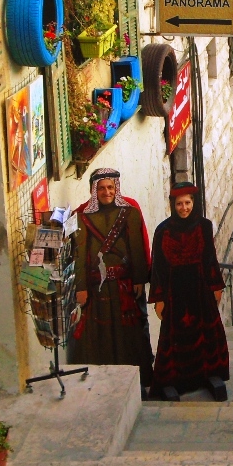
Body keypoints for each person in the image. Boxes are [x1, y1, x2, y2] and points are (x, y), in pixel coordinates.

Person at [70, 168, 154, 392]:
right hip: (97, 289)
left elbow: (137, 247)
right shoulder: (82, 217)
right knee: (102, 334)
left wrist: (139, 279)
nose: (106, 192)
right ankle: (104, 383)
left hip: (124, 287)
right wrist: (81, 288)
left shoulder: (130, 212)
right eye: (101, 188)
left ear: (116, 188)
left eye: (110, 187)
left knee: (130, 333)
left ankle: (138, 381)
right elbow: (80, 255)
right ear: (93, 190)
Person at [149, 183, 230, 402]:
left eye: (187, 203)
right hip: (174, 291)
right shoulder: (163, 231)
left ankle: (208, 375)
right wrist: (159, 298)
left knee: (206, 333)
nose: (183, 208)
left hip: (200, 287)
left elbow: (210, 258)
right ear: (172, 205)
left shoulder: (204, 226)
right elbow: (158, 266)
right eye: (179, 204)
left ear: (194, 203)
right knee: (175, 337)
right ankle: (172, 382)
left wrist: (216, 287)